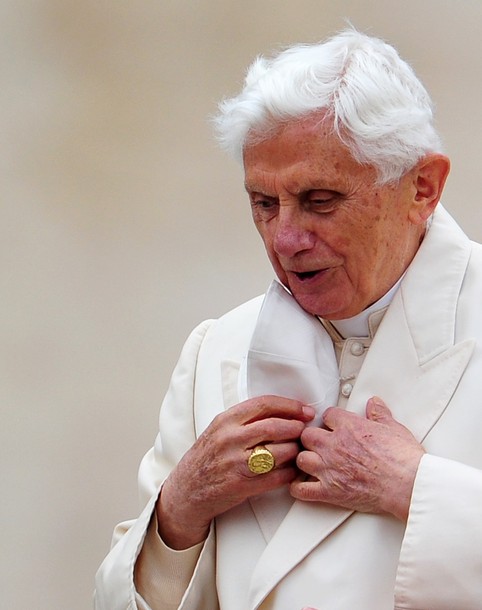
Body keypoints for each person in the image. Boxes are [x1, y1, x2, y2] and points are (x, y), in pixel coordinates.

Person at [94, 29, 482, 610]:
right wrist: (180, 507)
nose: (285, 239)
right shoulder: (218, 349)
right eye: (264, 204)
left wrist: (416, 488)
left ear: (422, 188)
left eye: (320, 201)